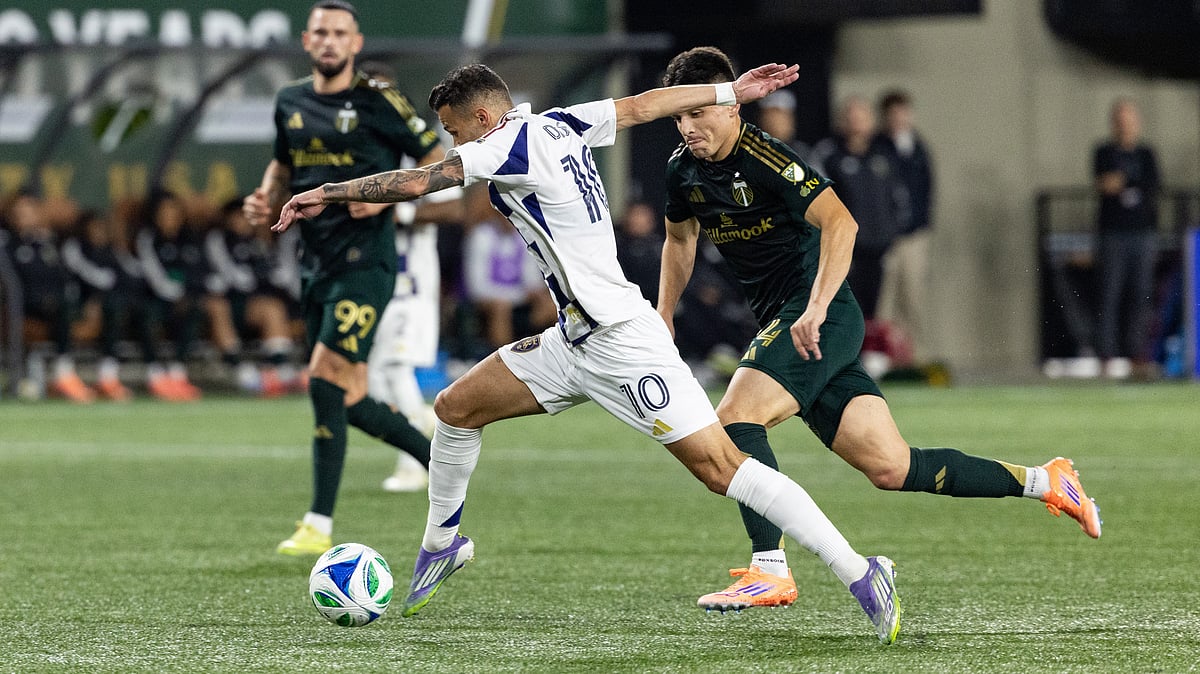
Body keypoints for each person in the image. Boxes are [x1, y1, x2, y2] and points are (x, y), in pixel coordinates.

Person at [275, 60, 904, 645]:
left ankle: (858, 569)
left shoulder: (506, 143)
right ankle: (444, 544)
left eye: (454, 130)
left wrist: (327, 191)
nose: (453, 144)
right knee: (455, 408)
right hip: (571, 341)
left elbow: (421, 180)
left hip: (623, 343)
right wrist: (725, 93)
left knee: (722, 468)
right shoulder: (562, 121)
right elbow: (644, 106)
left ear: (484, 119)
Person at [653, 46, 1102, 613]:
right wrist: (664, 314)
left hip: (818, 317)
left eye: (699, 112)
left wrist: (816, 307)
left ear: (731, 106)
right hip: (789, 324)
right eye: (680, 115)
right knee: (893, 466)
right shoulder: (682, 170)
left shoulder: (766, 158)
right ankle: (1048, 481)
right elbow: (680, 239)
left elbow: (842, 221)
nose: (689, 126)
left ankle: (769, 569)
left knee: (736, 419)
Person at [242, 0, 442, 555]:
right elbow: (283, 167)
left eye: (340, 33)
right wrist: (265, 200)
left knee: (324, 379)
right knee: (348, 394)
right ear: (307, 42)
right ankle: (440, 459)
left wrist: (384, 201)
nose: (330, 41)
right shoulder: (290, 100)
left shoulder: (378, 99)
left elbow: (435, 158)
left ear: (355, 43)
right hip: (314, 264)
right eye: (320, 33)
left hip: (367, 264)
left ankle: (317, 524)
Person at [362, 55, 468, 494]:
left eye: (382, 90)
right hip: (374, 274)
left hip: (410, 277)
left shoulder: (415, 146)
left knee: (393, 365)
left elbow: (453, 208)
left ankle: (415, 462)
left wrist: (397, 211)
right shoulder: (357, 148)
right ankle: (421, 424)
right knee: (374, 376)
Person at [1, 189, 94, 402]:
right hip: (20, 306)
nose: (24, 216)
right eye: (19, 212)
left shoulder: (48, 243)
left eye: (29, 211)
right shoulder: (7, 244)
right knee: (60, 307)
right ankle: (61, 374)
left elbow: (63, 277)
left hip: (53, 305)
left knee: (68, 304)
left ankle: (63, 374)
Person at [1092, 97, 1161, 379]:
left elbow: (1151, 185)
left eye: (1129, 119)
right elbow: (1104, 184)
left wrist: (1123, 182)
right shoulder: (1104, 152)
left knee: (1140, 295)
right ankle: (1106, 355)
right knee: (1109, 294)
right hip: (1113, 234)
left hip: (1142, 234)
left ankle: (1137, 355)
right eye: (1120, 119)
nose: (1125, 125)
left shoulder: (1146, 154)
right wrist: (1124, 183)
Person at [204, 197, 299, 396]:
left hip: (250, 305)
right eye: (239, 217)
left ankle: (279, 370)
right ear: (229, 219)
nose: (245, 221)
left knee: (272, 308)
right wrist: (260, 277)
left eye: (248, 217)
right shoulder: (218, 239)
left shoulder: (259, 242)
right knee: (216, 306)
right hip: (227, 302)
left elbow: (278, 275)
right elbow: (235, 277)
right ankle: (242, 372)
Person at [875, 89, 935, 367]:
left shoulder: (919, 147)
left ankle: (915, 357)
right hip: (884, 237)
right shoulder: (877, 146)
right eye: (894, 114)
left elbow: (926, 191)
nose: (899, 118)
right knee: (884, 299)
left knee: (913, 297)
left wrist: (920, 224)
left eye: (903, 112)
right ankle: (882, 356)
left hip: (913, 236)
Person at [461, 182, 556, 353]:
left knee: (552, 306)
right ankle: (502, 362)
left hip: (517, 300)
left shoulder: (524, 238)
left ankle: (546, 357)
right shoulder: (481, 236)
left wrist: (536, 295)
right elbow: (477, 288)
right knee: (500, 309)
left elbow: (531, 280)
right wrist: (516, 296)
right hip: (490, 303)